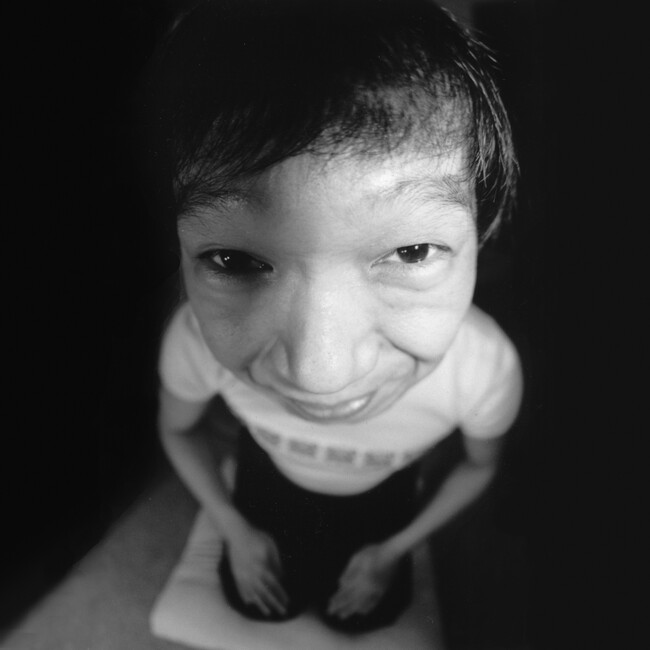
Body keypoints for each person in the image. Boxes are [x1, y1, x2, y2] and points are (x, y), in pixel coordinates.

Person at [145, 0, 524, 635]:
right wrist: (234, 529)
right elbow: (178, 430)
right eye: (235, 260)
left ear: (481, 243)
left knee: (364, 618)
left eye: (411, 252)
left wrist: (392, 551)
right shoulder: (191, 341)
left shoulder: (484, 369)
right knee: (256, 604)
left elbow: (480, 464)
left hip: (385, 491)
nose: (319, 377)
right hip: (269, 473)